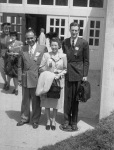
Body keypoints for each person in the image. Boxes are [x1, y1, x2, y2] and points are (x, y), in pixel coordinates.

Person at [17, 28, 47, 129]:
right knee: (25, 100)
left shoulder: (42, 48)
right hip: (25, 78)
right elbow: (20, 66)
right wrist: (19, 78)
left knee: (36, 101)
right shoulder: (23, 49)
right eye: (28, 38)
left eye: (31, 38)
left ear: (36, 38)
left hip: (36, 79)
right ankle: (24, 118)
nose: (30, 40)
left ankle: (35, 120)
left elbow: (45, 64)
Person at [61, 22, 89, 131]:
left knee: (75, 99)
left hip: (78, 74)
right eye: (72, 30)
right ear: (69, 30)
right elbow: (63, 57)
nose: (74, 32)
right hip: (68, 73)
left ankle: (74, 122)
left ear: (79, 31)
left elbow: (86, 61)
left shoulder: (84, 43)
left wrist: (85, 74)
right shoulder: (65, 42)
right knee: (67, 98)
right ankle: (66, 120)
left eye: (76, 30)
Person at [38, 37, 67, 130]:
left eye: (56, 45)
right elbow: (40, 67)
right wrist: (46, 70)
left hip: (58, 81)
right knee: (46, 101)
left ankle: (53, 120)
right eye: (52, 45)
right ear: (50, 46)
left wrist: (59, 74)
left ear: (59, 46)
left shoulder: (63, 56)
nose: (54, 47)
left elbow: (66, 69)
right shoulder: (46, 55)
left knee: (55, 101)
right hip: (48, 81)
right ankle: (47, 120)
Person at [0, 22, 11, 90]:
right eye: (5, 29)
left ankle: (8, 84)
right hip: (2, 55)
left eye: (7, 29)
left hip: (10, 55)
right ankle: (6, 82)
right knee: (2, 70)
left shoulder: (12, 36)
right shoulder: (0, 37)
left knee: (9, 70)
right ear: (3, 29)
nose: (6, 30)